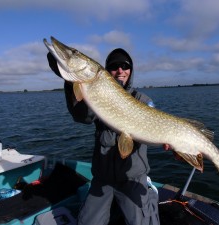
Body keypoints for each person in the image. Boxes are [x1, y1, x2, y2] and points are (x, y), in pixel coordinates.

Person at [47, 48, 160, 225]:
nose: (120, 70)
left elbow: (155, 130)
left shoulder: (143, 100)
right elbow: (82, 116)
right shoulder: (96, 94)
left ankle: (149, 194)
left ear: (131, 71)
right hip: (103, 179)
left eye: (125, 66)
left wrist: (174, 144)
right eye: (115, 66)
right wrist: (70, 83)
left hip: (132, 178)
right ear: (107, 71)